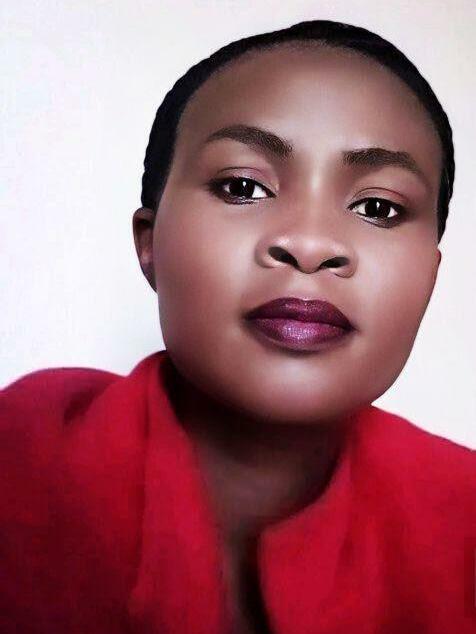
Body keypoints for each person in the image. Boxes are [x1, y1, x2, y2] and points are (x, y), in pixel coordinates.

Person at [1, 18, 475, 634]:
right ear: (150, 242)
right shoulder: (21, 458)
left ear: (432, 275)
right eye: (243, 186)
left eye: (378, 207)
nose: (309, 244)